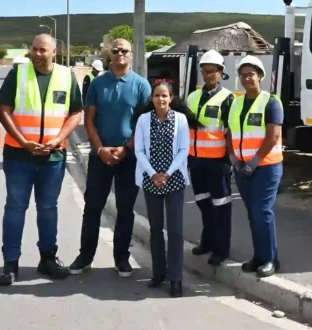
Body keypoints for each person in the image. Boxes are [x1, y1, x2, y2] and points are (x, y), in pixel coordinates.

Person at [0, 34, 83, 286]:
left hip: (52, 157)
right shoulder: (18, 74)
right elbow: (3, 110)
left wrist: (58, 140)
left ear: (54, 51)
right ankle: (10, 263)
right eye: (34, 49)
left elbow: (75, 113)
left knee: (48, 209)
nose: (37, 54)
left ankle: (48, 259)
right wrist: (23, 141)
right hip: (19, 155)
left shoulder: (66, 76)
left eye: (43, 50)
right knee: (15, 207)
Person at [68, 38, 152, 277]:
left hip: (129, 157)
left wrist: (126, 149)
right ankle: (85, 257)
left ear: (131, 54)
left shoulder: (141, 85)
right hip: (100, 157)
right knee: (93, 207)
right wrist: (100, 149)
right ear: (110, 54)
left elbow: (144, 123)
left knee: (125, 209)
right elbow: (89, 120)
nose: (120, 53)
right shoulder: (98, 84)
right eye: (116, 50)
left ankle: (121, 258)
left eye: (124, 50)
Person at [225, 55, 284, 278]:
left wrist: (254, 162)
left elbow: (273, 136)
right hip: (242, 168)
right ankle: (259, 256)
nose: (247, 78)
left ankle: (270, 259)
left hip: (266, 167)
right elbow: (229, 132)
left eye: (251, 74)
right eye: (243, 75)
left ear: (260, 76)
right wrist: (233, 158)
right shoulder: (236, 102)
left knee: (262, 211)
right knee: (253, 212)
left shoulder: (271, 102)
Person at [134, 81, 192, 297]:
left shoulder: (180, 119)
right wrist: (153, 174)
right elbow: (139, 150)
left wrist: (167, 173)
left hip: (174, 179)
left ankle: (175, 278)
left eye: (165, 95)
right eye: (157, 95)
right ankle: (159, 273)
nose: (161, 99)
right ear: (152, 98)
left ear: (171, 98)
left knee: (175, 231)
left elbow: (184, 149)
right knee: (156, 229)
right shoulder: (143, 120)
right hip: (151, 180)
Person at [186, 50, 234, 266]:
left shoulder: (228, 98)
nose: (208, 75)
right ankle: (207, 241)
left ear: (221, 72)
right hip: (196, 161)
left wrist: (229, 160)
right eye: (205, 71)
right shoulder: (193, 97)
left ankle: (221, 249)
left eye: (212, 71)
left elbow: (231, 131)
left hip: (217, 162)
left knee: (221, 206)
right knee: (203, 203)